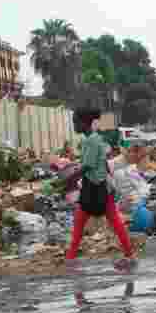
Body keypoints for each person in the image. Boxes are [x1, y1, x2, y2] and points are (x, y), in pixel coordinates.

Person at [65, 109, 137, 272]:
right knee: (112, 222)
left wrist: (70, 178)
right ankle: (130, 255)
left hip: (95, 188)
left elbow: (88, 165)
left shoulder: (91, 140)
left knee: (81, 223)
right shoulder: (95, 139)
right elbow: (97, 162)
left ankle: (71, 259)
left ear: (84, 123)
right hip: (101, 186)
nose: (74, 125)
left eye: (76, 122)